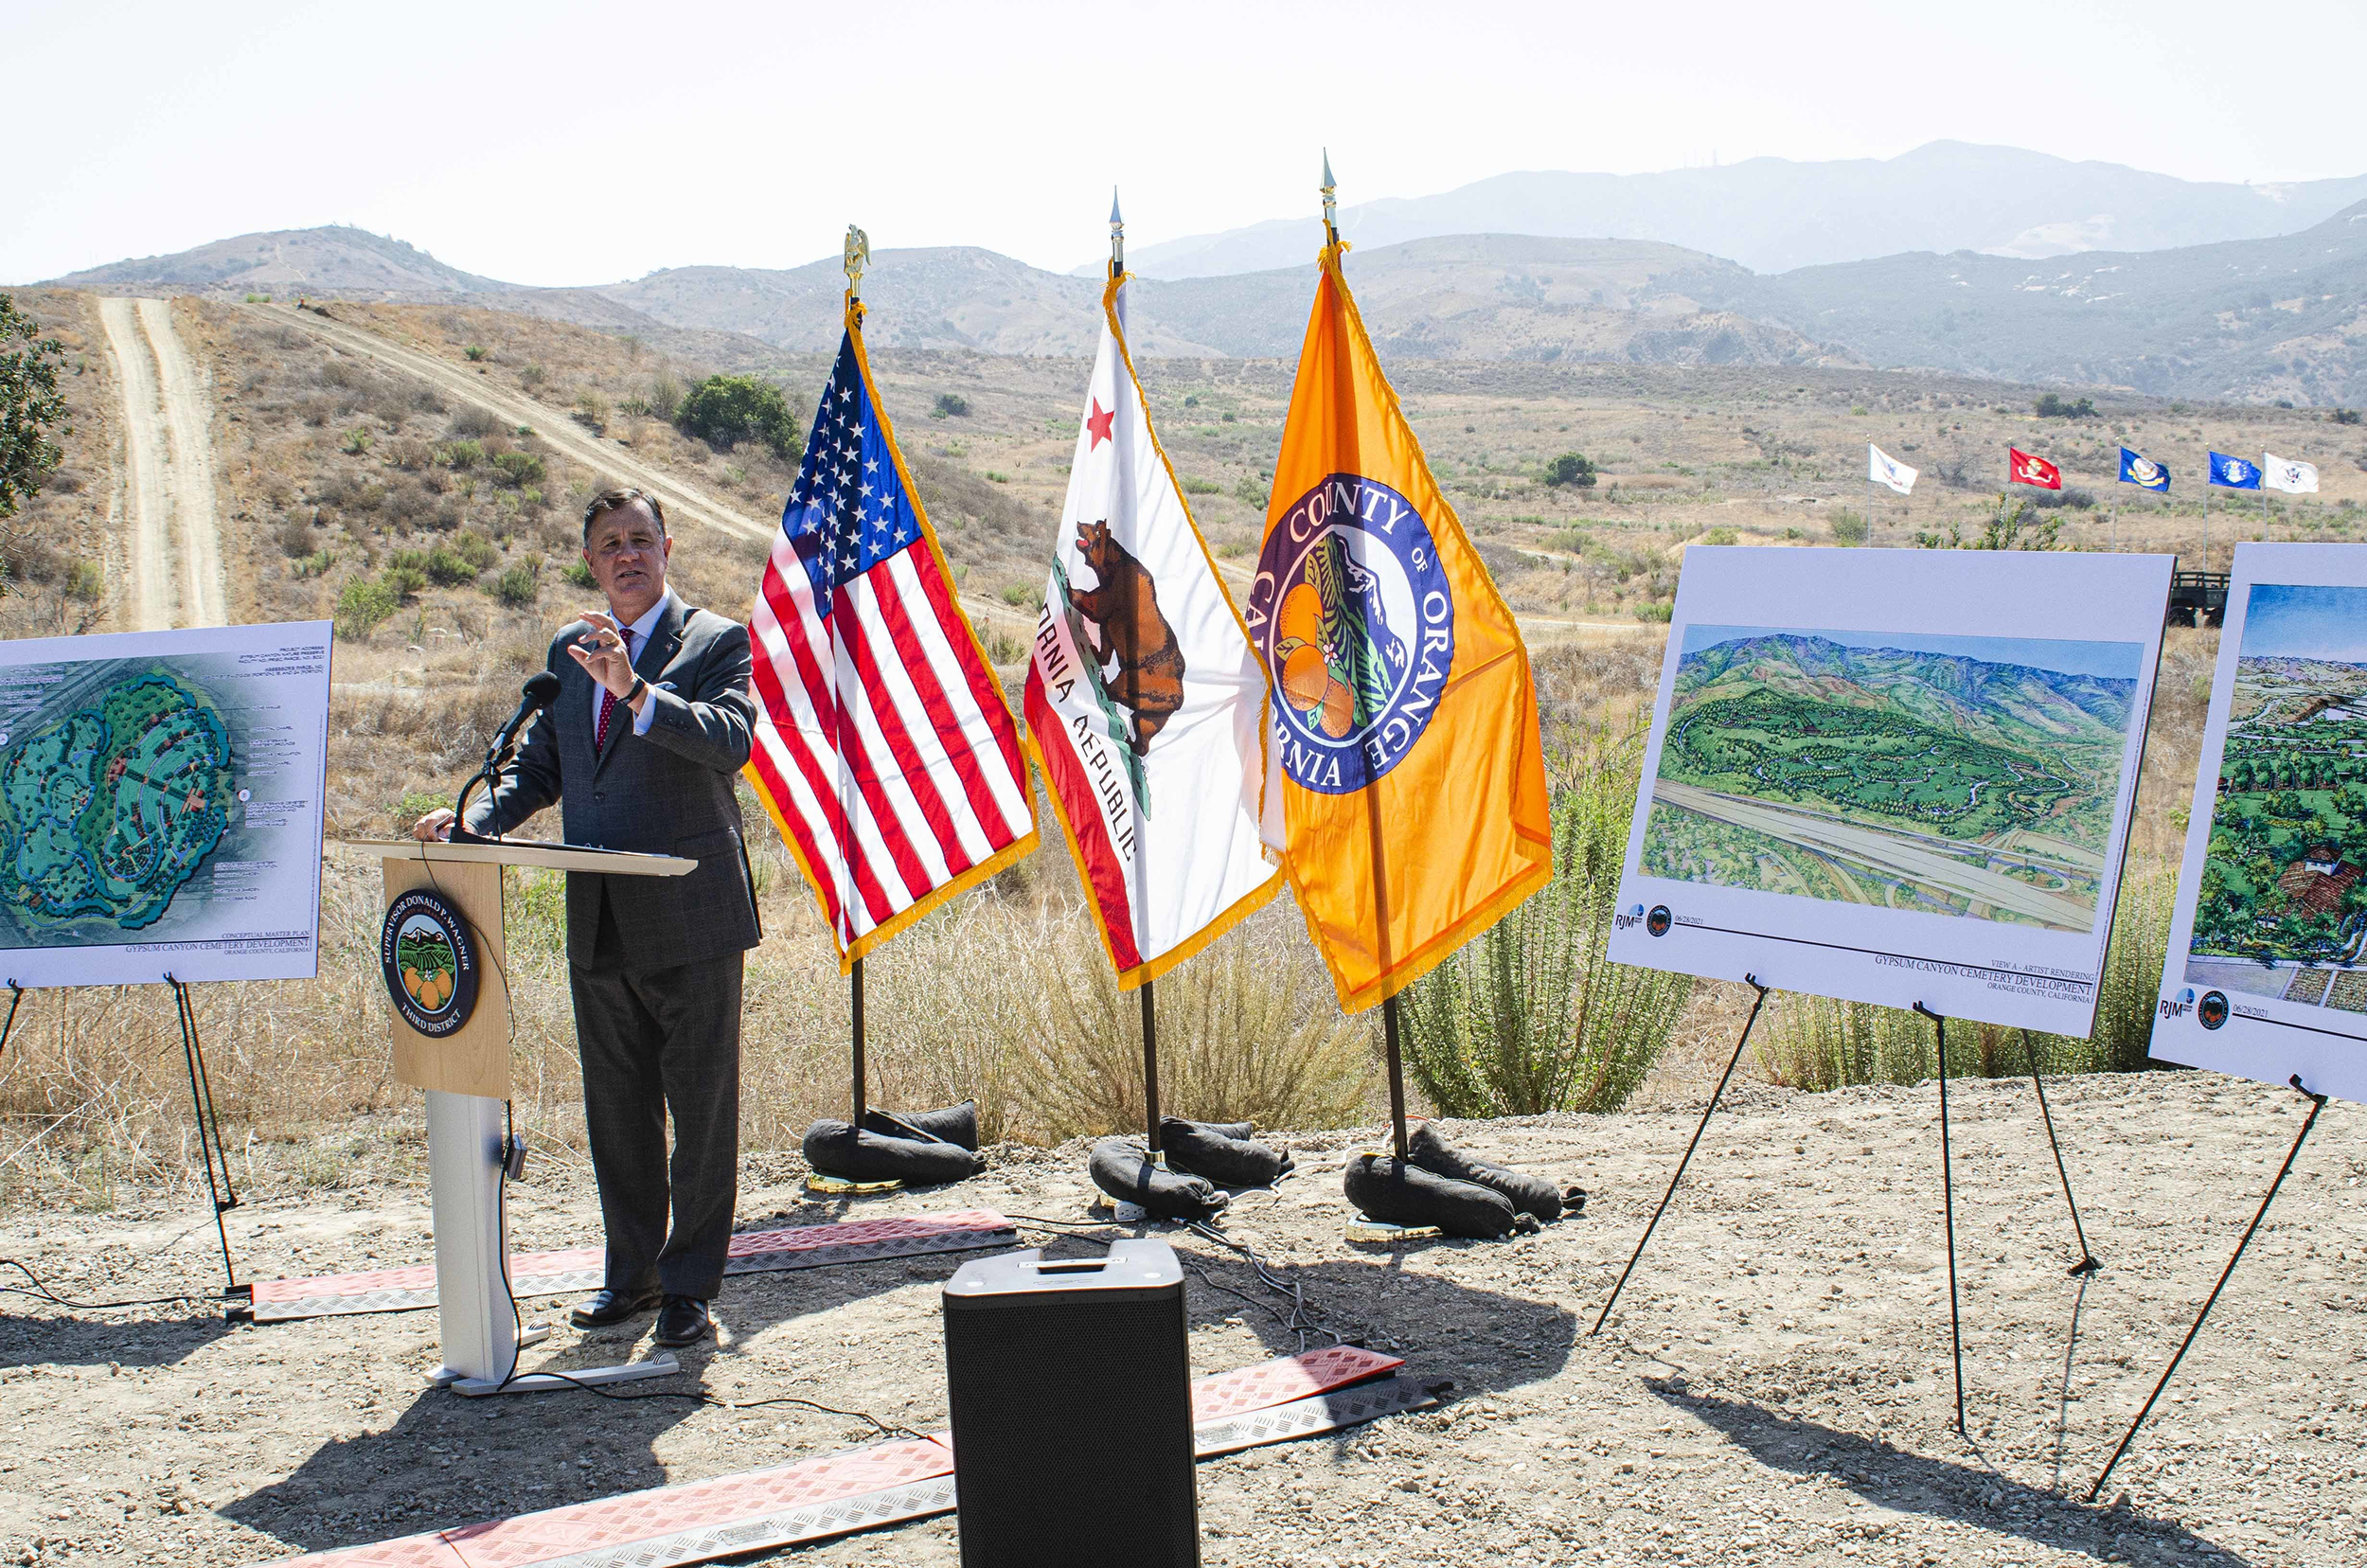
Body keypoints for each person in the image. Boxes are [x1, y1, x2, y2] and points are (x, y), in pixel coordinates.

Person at [414, 487, 759, 1348]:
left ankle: (690, 1288)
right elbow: (538, 769)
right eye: (611, 545)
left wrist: (638, 692)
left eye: (641, 540)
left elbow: (730, 741)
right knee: (618, 1110)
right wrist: (476, 822)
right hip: (600, 917)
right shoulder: (569, 652)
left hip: (692, 911)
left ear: (668, 547)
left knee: (703, 1112)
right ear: (591, 561)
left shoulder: (717, 641)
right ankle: (633, 1275)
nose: (628, 556)